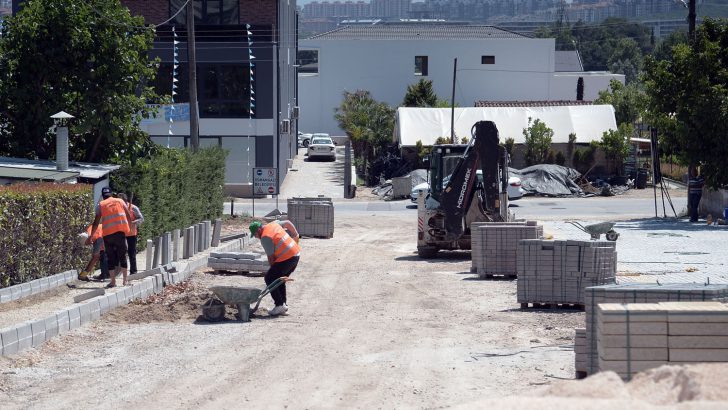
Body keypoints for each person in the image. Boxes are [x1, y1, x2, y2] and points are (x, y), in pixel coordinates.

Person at [249, 220, 300, 316]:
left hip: (288, 258)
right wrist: (296, 234)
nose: (256, 237)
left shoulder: (265, 238)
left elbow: (271, 258)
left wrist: (271, 272)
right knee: (279, 279)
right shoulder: (273, 224)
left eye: (255, 234)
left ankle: (279, 305)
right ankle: (283, 306)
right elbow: (288, 223)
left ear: (259, 230)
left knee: (269, 278)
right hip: (296, 254)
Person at [87, 187, 133, 288]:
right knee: (122, 256)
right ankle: (125, 281)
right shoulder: (120, 201)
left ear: (103, 196)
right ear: (111, 194)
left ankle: (113, 282)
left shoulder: (101, 205)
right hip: (120, 233)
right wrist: (129, 228)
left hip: (108, 235)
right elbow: (128, 215)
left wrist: (91, 236)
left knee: (110, 258)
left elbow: (96, 222)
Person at [117, 193, 144, 275]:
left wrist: (133, 222)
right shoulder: (117, 209)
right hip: (121, 234)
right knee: (120, 253)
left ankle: (133, 271)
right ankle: (119, 272)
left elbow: (141, 219)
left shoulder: (133, 208)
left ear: (125, 201)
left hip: (132, 234)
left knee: (131, 253)